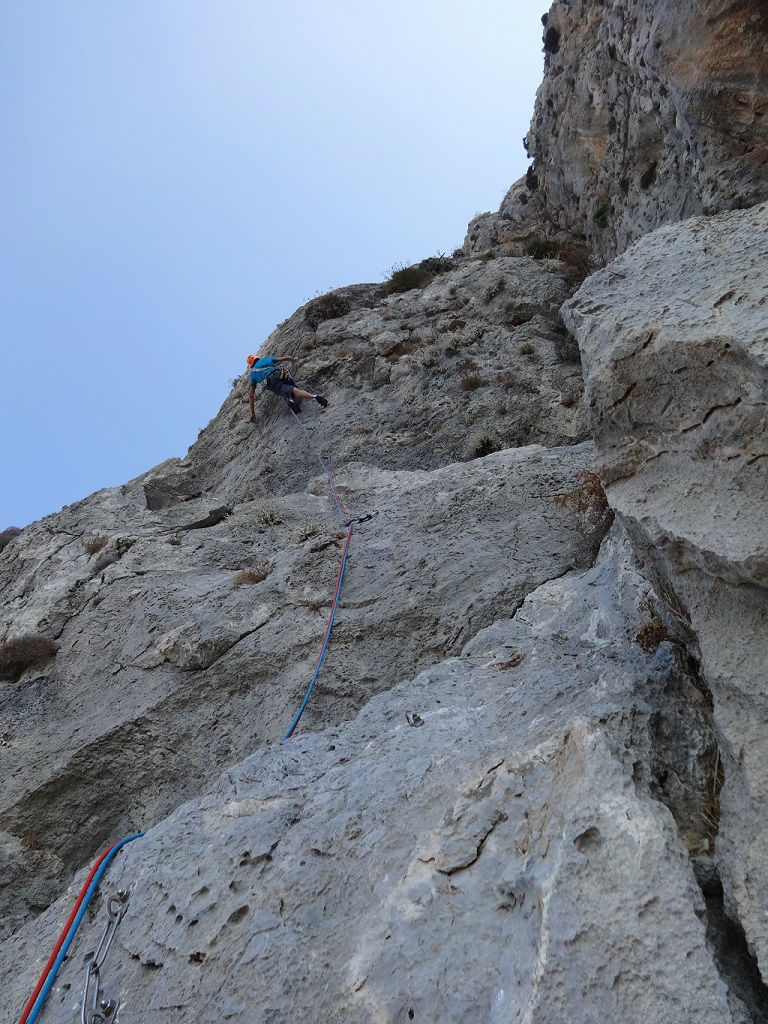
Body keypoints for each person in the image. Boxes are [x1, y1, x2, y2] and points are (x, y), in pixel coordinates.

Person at [246, 354, 328, 421]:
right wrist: (294, 359)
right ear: (257, 358)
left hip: (270, 381)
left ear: (251, 365)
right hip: (280, 373)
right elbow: (286, 358)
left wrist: (252, 413)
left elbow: (251, 394)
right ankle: (314, 396)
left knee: (288, 390)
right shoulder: (266, 359)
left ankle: (290, 399)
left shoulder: (253, 374)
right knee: (294, 389)